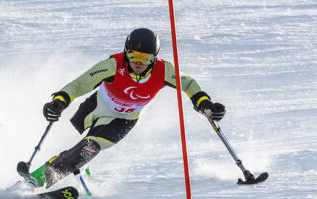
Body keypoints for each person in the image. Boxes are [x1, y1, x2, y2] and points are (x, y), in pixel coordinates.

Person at [24, 28, 225, 189]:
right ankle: (71, 166)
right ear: (126, 52)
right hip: (96, 106)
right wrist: (60, 100)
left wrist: (204, 103)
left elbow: (188, 84)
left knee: (89, 147)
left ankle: (36, 180)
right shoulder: (113, 65)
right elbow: (80, 84)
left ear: (154, 58)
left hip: (124, 120)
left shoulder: (164, 71)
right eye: (133, 56)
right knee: (66, 140)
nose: (138, 63)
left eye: (145, 58)